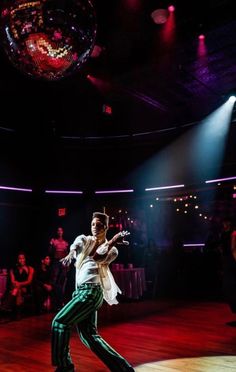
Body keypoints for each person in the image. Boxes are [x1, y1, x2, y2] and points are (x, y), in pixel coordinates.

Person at [51, 211, 135, 372]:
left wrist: (111, 242)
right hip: (81, 292)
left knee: (59, 322)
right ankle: (123, 369)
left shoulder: (113, 250)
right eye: (93, 224)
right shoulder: (86, 239)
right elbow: (76, 244)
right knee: (89, 336)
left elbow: (97, 258)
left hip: (91, 292)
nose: (95, 227)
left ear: (106, 227)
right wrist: (70, 252)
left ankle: (65, 366)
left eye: (99, 225)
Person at [1, 252, 34, 319]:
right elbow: (13, 280)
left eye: (23, 258)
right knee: (17, 290)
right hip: (16, 287)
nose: (21, 260)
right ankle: (18, 314)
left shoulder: (30, 268)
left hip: (26, 287)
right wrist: (17, 284)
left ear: (25, 259)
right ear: (17, 259)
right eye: (20, 258)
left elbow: (29, 281)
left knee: (16, 289)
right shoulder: (13, 269)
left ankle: (5, 308)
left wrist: (19, 284)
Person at [218, 218, 236, 319]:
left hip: (230, 260)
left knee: (230, 286)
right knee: (229, 286)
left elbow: (233, 248)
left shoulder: (232, 233)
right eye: (224, 222)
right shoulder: (224, 234)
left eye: (226, 222)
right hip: (228, 260)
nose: (224, 224)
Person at [49, 227, 69, 295]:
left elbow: (67, 254)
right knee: (54, 278)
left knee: (62, 279)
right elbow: (50, 252)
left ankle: (61, 295)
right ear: (56, 232)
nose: (60, 232)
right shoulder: (54, 241)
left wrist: (67, 264)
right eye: (58, 230)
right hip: (56, 262)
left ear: (63, 232)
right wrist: (51, 245)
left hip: (63, 263)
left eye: (61, 230)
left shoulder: (65, 242)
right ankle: (52, 295)